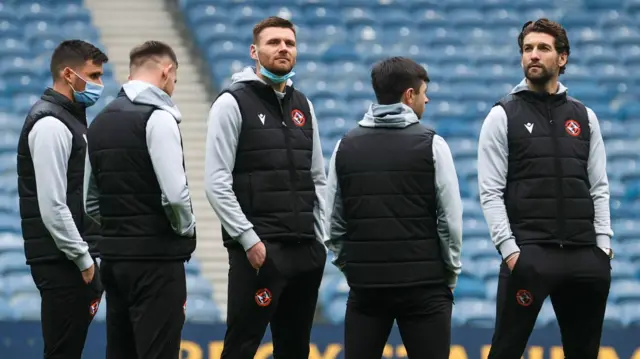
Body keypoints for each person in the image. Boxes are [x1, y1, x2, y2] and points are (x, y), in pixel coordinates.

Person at [478, 19, 613, 359]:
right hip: (530, 255)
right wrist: (510, 252)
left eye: (543, 48)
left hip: (585, 257)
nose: (533, 55)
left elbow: (598, 186)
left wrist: (603, 248)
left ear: (562, 58)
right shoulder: (501, 115)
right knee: (505, 351)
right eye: (527, 49)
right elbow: (490, 192)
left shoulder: (584, 117)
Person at [204, 16, 327, 359]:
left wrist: (321, 238)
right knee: (241, 346)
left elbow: (318, 177)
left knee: (295, 350)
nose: (283, 49)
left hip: (305, 250)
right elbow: (216, 181)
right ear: (254, 51)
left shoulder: (305, 105)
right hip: (259, 253)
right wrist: (249, 240)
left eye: (289, 43)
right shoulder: (231, 102)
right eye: (274, 42)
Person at [324, 56, 463, 359]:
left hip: (367, 290)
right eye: (423, 91)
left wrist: (351, 267)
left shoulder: (344, 146)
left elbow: (332, 223)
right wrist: (449, 275)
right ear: (409, 95)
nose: (426, 98)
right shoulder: (433, 144)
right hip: (425, 288)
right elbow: (450, 220)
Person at [83, 40, 196, 359]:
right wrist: (185, 229)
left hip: (115, 262)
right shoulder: (159, 117)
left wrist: (123, 227)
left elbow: (90, 204)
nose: (173, 86)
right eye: (175, 78)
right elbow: (175, 196)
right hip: (157, 262)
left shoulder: (100, 121)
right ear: (167, 70)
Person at [16, 39, 107, 359]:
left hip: (69, 257)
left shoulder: (71, 118)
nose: (99, 84)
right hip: (62, 260)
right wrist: (83, 259)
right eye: (93, 75)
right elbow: (53, 204)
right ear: (69, 74)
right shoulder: (51, 123)